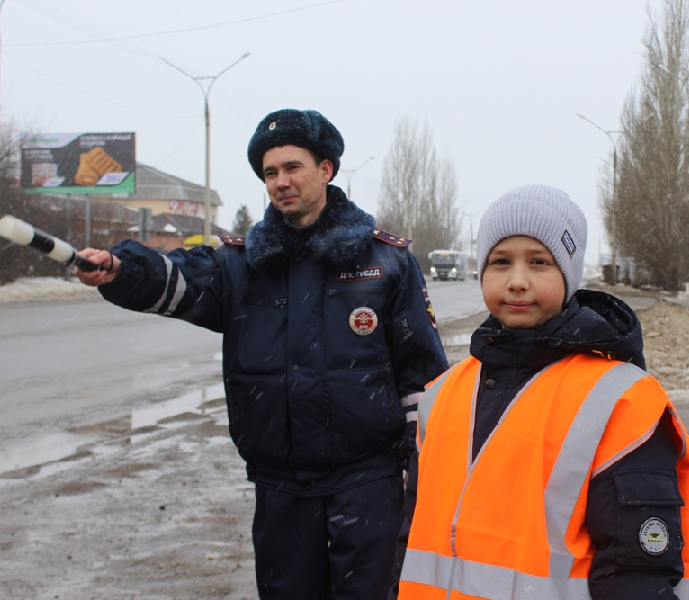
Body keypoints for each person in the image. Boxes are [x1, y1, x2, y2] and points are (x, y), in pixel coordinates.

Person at [75, 108, 448, 600]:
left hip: (367, 483)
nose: (281, 182)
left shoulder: (386, 262)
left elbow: (421, 380)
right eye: (270, 173)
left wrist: (422, 479)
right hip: (282, 489)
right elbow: (177, 279)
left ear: (326, 169)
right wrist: (123, 269)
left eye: (292, 167)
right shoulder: (239, 265)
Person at [395, 184, 689, 599]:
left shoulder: (620, 401)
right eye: (501, 262)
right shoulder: (442, 395)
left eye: (539, 262)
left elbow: (638, 572)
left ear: (568, 274)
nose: (517, 281)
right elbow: (411, 535)